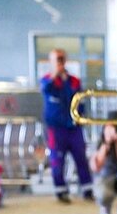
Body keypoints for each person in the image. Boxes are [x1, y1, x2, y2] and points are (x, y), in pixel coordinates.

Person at [39, 49, 93, 203]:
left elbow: (79, 99)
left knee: (81, 158)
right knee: (57, 160)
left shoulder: (74, 81)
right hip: (56, 129)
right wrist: (56, 75)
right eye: (57, 59)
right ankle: (61, 191)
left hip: (74, 128)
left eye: (62, 59)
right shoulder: (47, 80)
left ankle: (87, 189)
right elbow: (45, 89)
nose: (60, 62)